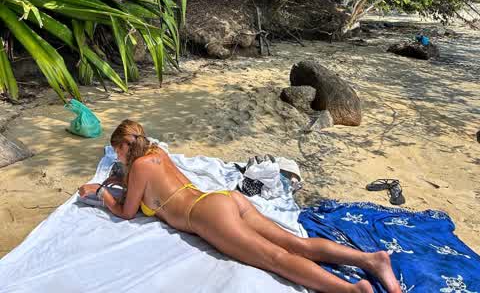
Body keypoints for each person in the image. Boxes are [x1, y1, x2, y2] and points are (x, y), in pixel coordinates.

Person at [79, 120, 401, 293]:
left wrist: (102, 194)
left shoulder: (138, 167)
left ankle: (351, 291)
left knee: (276, 258)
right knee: (295, 244)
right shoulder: (157, 154)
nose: (117, 157)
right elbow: (152, 190)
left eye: (117, 152)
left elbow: (126, 212)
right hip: (222, 199)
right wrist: (118, 182)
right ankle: (371, 260)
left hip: (205, 215)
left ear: (124, 146)